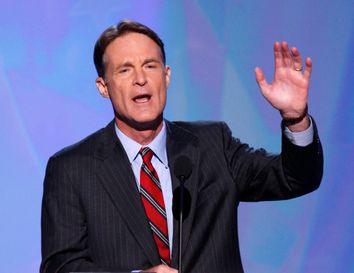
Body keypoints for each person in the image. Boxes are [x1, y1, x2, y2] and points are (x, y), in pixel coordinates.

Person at [40, 20, 323, 273]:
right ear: (103, 87)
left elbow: (296, 178)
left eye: (150, 66)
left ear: (166, 76)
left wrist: (295, 118)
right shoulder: (72, 168)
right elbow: (60, 266)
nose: (141, 79)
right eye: (125, 70)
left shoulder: (213, 145)